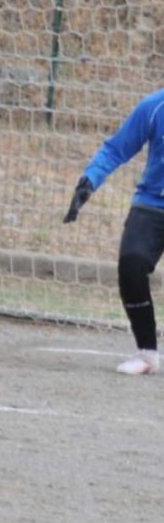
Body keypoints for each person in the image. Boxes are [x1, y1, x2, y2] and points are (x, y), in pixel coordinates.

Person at [64, 88, 164, 374]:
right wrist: (89, 181)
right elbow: (116, 148)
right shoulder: (154, 107)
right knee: (131, 264)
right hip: (153, 203)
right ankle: (146, 354)